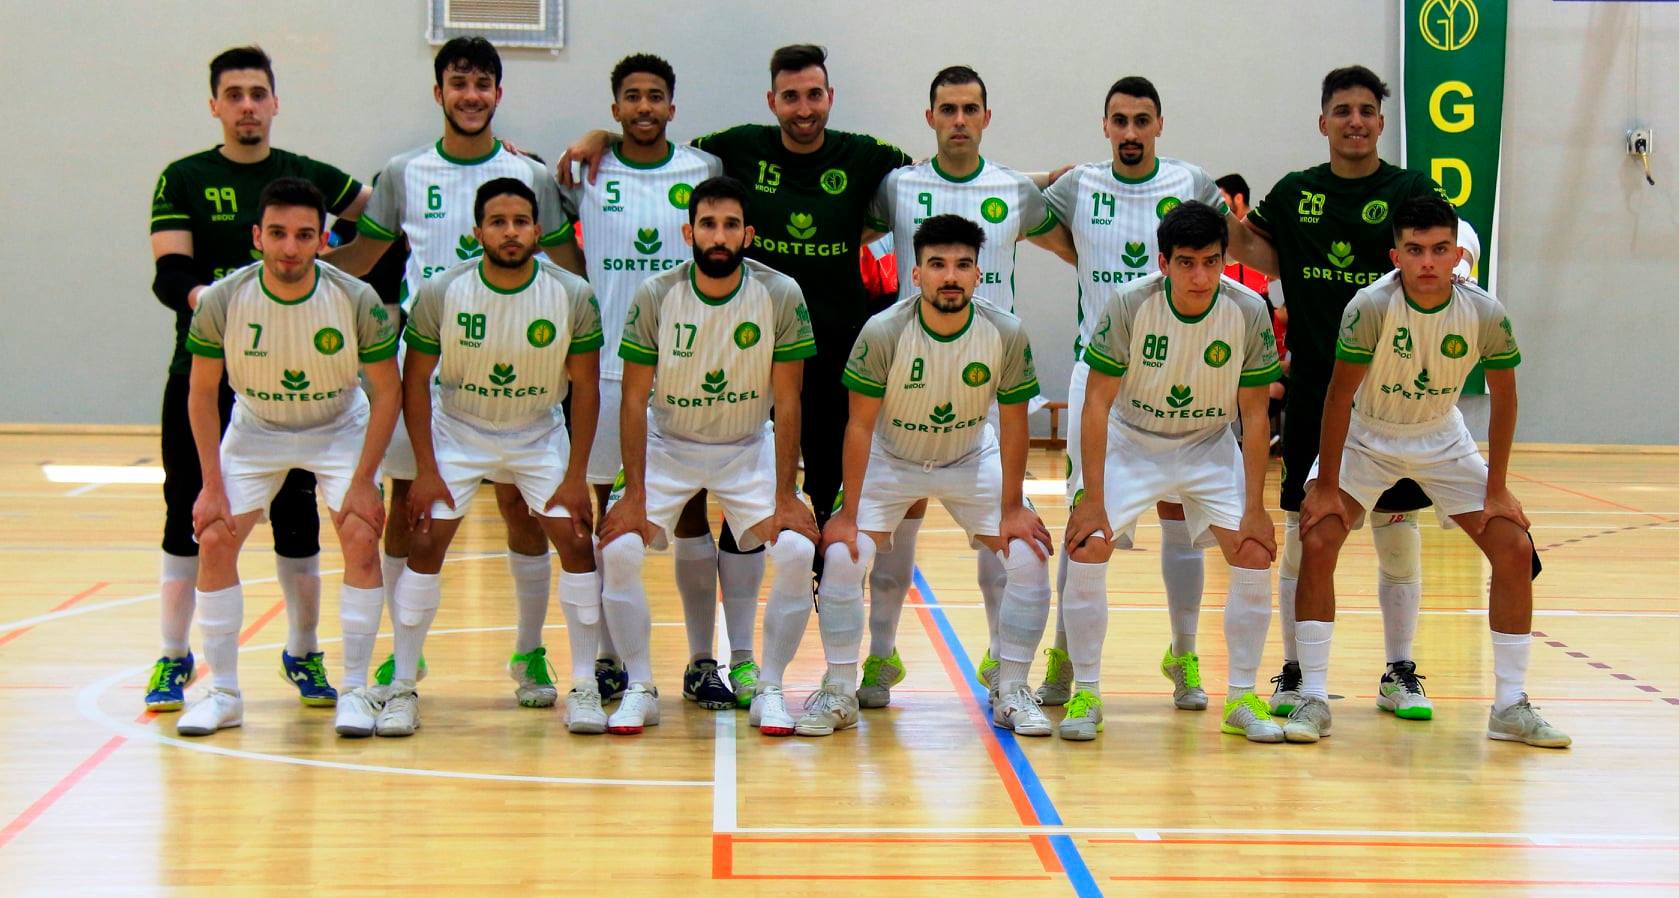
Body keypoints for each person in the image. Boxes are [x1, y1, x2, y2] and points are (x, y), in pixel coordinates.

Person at [561, 45, 913, 585]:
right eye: (790, 97)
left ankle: (828, 585)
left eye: (814, 95)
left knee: (827, 476)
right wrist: (601, 139)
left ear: (830, 97)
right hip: (749, 343)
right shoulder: (735, 148)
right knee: (742, 477)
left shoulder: (864, 154)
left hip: (835, 341)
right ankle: (737, 604)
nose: (803, 108)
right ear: (772, 100)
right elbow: (653, 142)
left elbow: (938, 173)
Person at [329, 37, 578, 705]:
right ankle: (397, 656)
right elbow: (361, 257)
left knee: (521, 509)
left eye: (482, 84)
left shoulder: (529, 178)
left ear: (499, 94)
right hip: (427, 369)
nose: (471, 95)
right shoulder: (403, 172)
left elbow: (565, 269)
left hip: (516, 366)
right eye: (458, 83)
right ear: (438, 93)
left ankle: (529, 652)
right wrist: (283, 275)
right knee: (407, 509)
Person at [1281, 195, 1567, 749]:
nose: (1429, 262)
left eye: (1440, 249)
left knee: (1512, 546)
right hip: (1369, 434)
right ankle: (1313, 695)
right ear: (1397, 255)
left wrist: (1499, 487)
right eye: (1415, 251)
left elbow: (1506, 400)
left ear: (1457, 252)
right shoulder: (1370, 307)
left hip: (1442, 436)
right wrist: (1329, 485)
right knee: (1317, 537)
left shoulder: (1484, 311)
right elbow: (1338, 397)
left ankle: (1510, 706)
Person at [147, 45, 372, 712]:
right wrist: (230, 312)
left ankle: (303, 653)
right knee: (194, 512)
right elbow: (170, 275)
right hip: (210, 368)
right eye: (234, 94)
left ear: (275, 103)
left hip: (303, 376)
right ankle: (173, 656)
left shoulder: (305, 175)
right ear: (215, 105)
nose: (247, 105)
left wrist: (346, 279)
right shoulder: (183, 177)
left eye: (258, 93)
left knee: (297, 517)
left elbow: (377, 215)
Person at [1226, 65, 1454, 721]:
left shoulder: (1409, 187)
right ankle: (1296, 671)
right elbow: (1260, 252)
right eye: (1341, 110)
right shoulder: (1296, 192)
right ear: (1322, 121)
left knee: (1394, 528)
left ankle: (1399, 671)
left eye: (1364, 110)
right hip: (1314, 385)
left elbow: (1444, 245)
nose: (1354, 120)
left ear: (1380, 123)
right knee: (1304, 527)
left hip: (1394, 392)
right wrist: (1218, 213)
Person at [853, 65, 1074, 709]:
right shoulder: (898, 187)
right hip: (909, 379)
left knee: (998, 528)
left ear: (985, 116)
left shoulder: (1014, 191)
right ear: (929, 118)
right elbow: (849, 233)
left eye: (968, 108)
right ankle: (880, 657)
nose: (957, 120)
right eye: (946, 108)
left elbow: (1074, 247)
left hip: (991, 378)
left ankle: (1003, 664)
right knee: (897, 528)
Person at [554, 54, 756, 711]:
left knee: (693, 508)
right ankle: (608, 657)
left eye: (656, 98)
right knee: (605, 508)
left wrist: (601, 134)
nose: (644, 107)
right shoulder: (588, 168)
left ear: (673, 107)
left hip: (685, 374)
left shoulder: (702, 173)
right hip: (608, 367)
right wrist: (597, 141)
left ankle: (701, 661)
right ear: (614, 108)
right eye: (631, 99)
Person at [377, 179, 603, 737]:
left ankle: (580, 684)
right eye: (497, 222)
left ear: (538, 230)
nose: (510, 232)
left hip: (537, 432)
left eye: (521, 221)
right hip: (459, 428)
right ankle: (404, 684)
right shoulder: (441, 291)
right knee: (426, 536)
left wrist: (577, 475)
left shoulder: (572, 293)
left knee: (575, 538)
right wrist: (426, 470)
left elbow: (588, 389)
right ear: (477, 231)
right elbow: (415, 382)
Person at [173, 178, 400, 736]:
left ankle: (354, 690)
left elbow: (388, 390)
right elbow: (202, 394)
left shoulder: (355, 298)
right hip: (257, 427)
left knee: (360, 535)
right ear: (257, 237)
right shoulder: (223, 300)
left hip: (338, 425)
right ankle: (223, 691)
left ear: (324, 240)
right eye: (277, 234)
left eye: (304, 235)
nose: (290, 248)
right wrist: (210, 484)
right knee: (217, 536)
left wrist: (367, 479)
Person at [813, 214, 1053, 737]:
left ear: (978, 274)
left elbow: (1014, 424)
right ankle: (836, 688)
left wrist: (1013, 508)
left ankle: (1012, 687)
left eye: (963, 265)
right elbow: (857, 426)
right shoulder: (884, 331)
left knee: (1029, 556)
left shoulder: (1004, 333)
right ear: (916, 274)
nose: (951, 276)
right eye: (937, 265)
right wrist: (848, 515)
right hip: (892, 458)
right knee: (841, 554)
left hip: (970, 458)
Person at [598, 176, 819, 736]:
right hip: (669, 444)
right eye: (707, 225)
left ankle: (769, 686)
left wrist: (787, 494)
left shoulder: (780, 293)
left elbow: (789, 399)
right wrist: (637, 495)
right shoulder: (656, 293)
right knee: (620, 549)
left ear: (748, 234)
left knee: (794, 550)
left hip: (747, 446)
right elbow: (631, 397)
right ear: (688, 231)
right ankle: (642, 686)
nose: (717, 237)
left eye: (729, 226)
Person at [1038, 76, 1231, 712]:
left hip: (1181, 374)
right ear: (1104, 126)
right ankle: (1064, 658)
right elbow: (1026, 210)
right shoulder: (1078, 185)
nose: (1129, 132)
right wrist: (1083, 257)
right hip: (1099, 378)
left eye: (1141, 120)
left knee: (1181, 518)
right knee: (1084, 523)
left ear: (1158, 125)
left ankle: (1183, 655)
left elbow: (1231, 241)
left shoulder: (1192, 183)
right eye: (1118, 121)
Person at [1061, 201, 1282, 742]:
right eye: (1186, 263)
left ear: (1226, 260)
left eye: (1211, 261)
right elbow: (1095, 404)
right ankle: (1086, 690)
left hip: (1208, 444)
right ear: (1162, 262)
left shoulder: (1249, 309)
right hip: (1132, 442)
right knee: (1088, 543)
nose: (1200, 275)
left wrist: (1256, 507)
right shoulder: (1130, 304)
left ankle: (1241, 697)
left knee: (1253, 551)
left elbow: (1255, 416)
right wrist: (1090, 497)